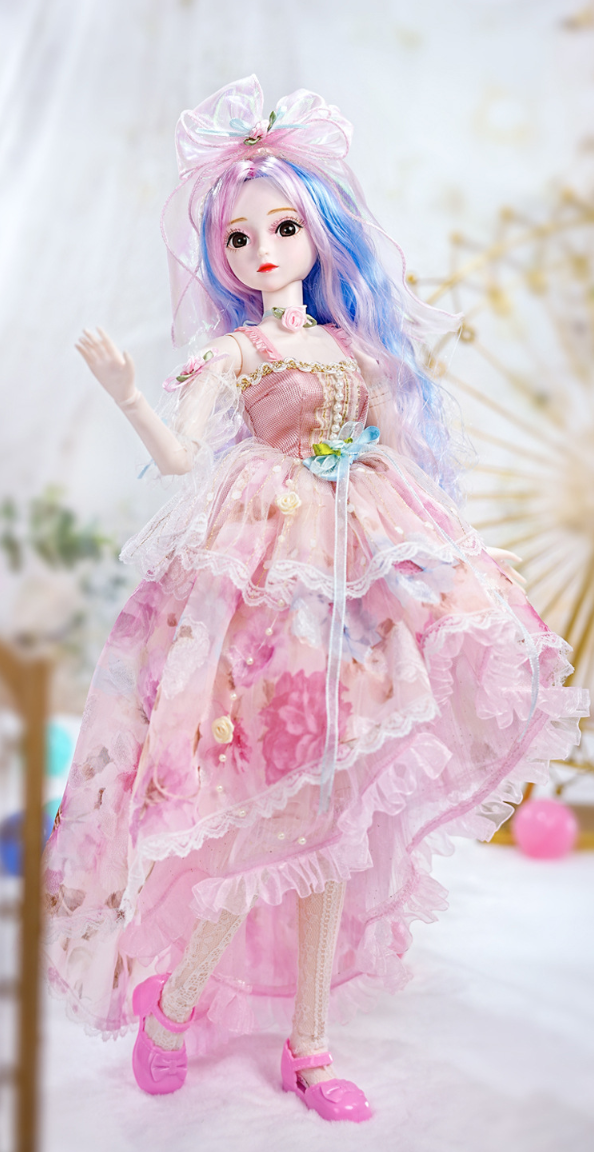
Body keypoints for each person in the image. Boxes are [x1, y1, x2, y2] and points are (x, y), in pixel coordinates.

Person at [43, 77, 588, 1123]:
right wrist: (127, 395)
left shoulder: (351, 345)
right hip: (269, 575)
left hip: (357, 567)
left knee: (335, 815)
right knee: (268, 813)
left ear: (318, 232)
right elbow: (180, 455)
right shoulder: (237, 353)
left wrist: (452, 557)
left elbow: (399, 455)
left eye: (283, 228)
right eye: (239, 238)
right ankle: (176, 1008)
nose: (263, 251)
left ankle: (311, 1043)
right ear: (222, 257)